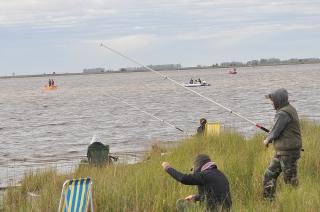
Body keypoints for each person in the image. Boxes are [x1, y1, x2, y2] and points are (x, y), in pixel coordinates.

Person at [262, 88, 302, 200]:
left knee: (290, 181)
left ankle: (298, 203)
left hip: (287, 153)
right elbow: (277, 129)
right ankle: (268, 202)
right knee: (269, 175)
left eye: (272, 100)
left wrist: (267, 140)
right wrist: (269, 136)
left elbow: (275, 132)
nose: (271, 103)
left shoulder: (282, 113)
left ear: (278, 100)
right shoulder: (289, 109)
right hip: (282, 152)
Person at [162, 154, 232, 211]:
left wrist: (168, 168)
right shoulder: (220, 174)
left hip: (213, 210)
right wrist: (195, 197)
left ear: (199, 165)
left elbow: (184, 179)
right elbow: (214, 194)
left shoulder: (205, 175)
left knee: (180, 203)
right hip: (226, 209)